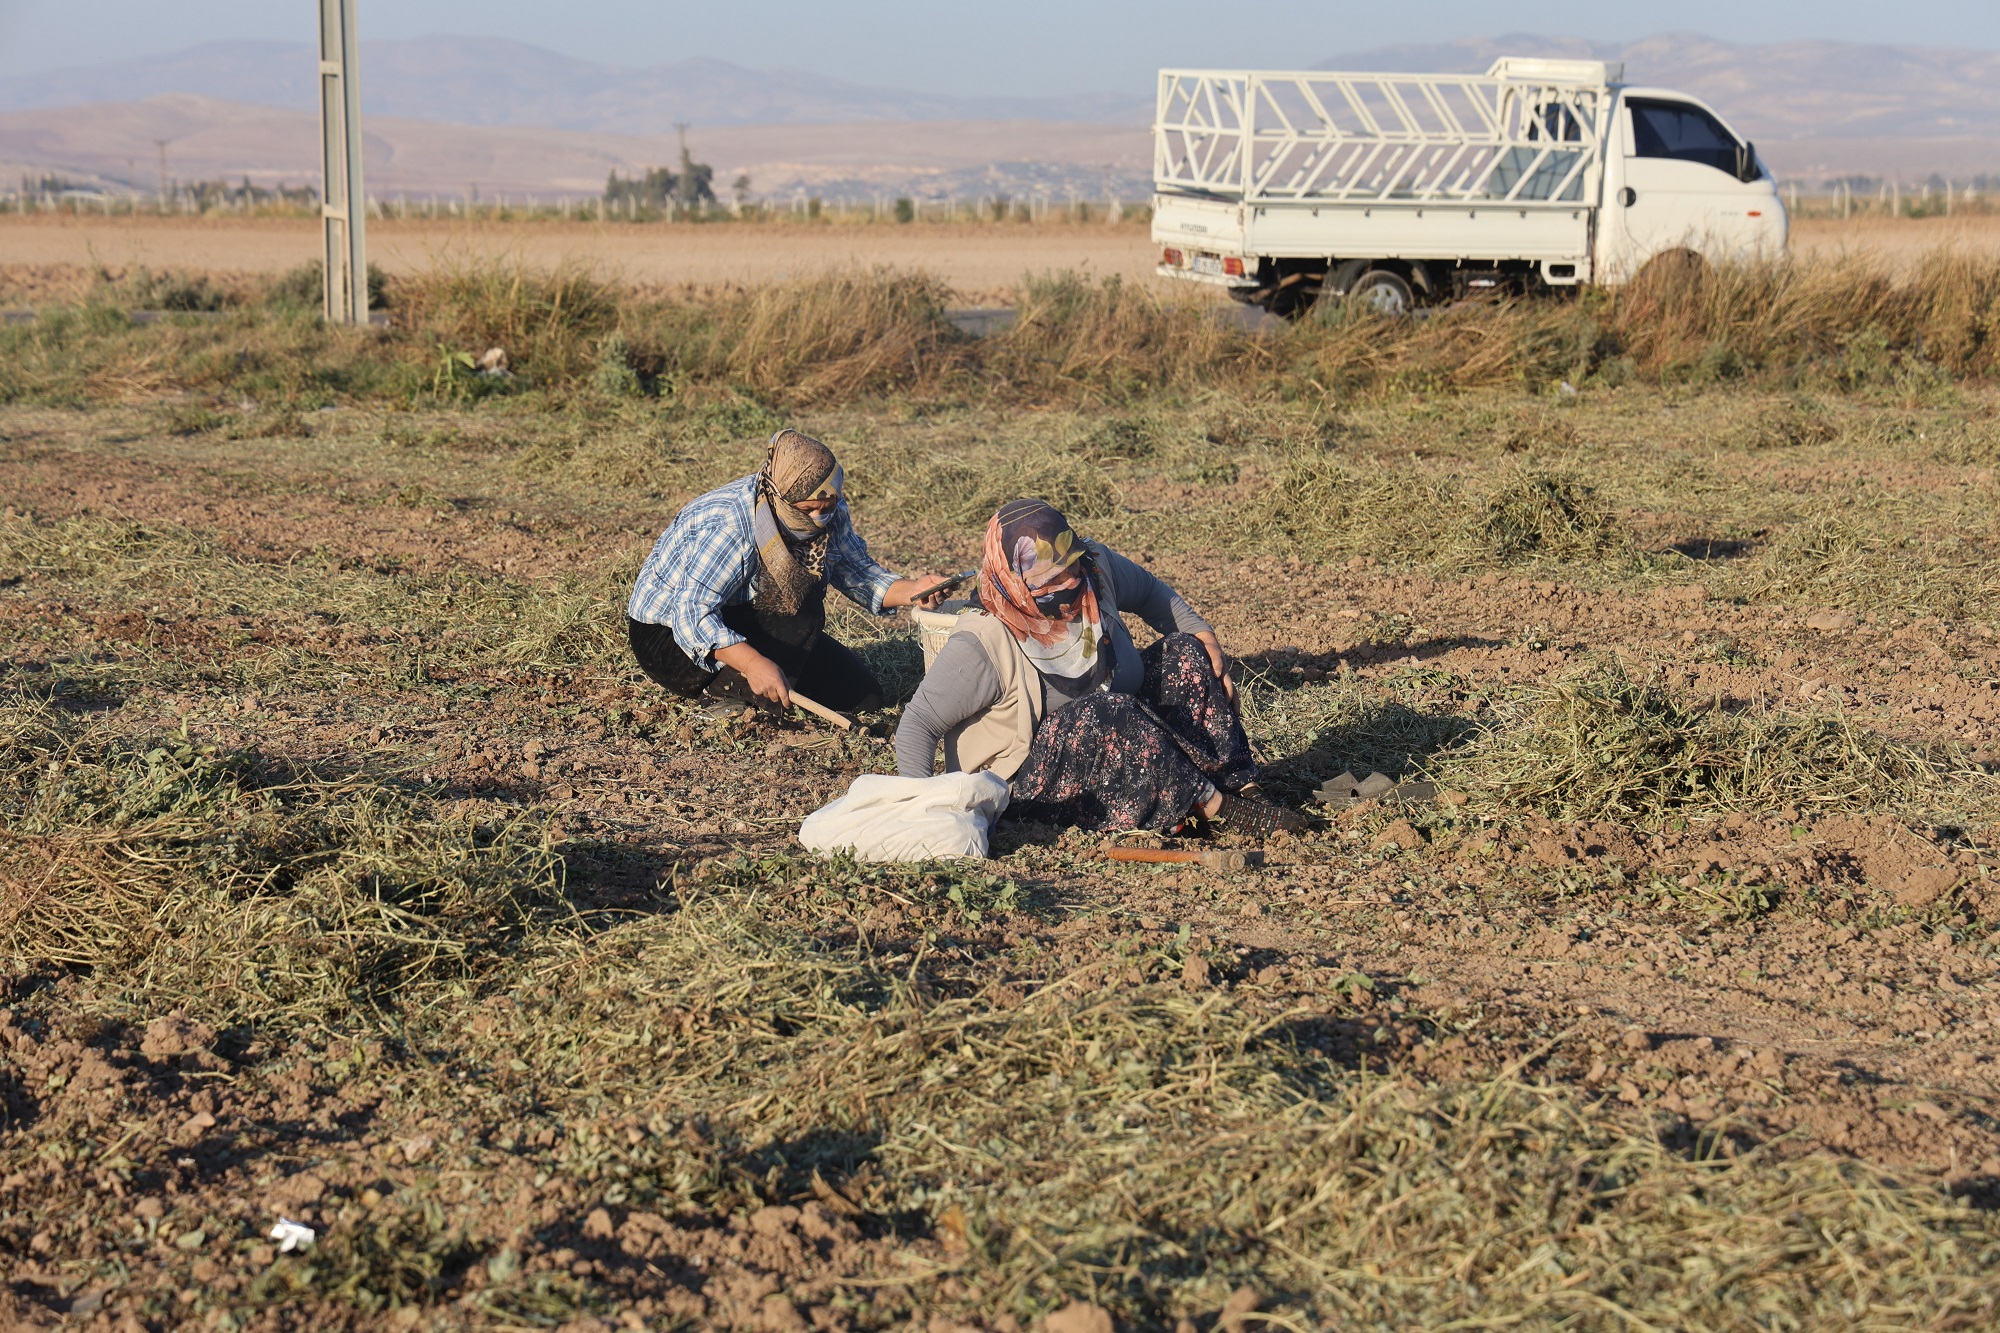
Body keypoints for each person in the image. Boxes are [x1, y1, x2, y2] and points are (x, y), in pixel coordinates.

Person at [894, 497, 1306, 837]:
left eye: (1069, 568)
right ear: (1016, 581)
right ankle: (1214, 805)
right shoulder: (984, 640)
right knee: (1104, 710)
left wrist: (1204, 634)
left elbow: (1150, 593)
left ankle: (1239, 785)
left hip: (1118, 736)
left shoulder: (1094, 570)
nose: (1069, 584)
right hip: (1027, 789)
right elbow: (919, 722)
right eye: (1049, 582)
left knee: (1184, 653)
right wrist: (922, 815)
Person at [627, 429, 941, 713]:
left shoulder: (829, 505)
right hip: (669, 636)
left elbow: (856, 571)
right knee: (796, 626)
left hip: (745, 613)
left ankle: (768, 678)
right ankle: (725, 690)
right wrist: (752, 664)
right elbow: (691, 613)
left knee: (864, 697)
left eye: (827, 507)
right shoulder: (733, 525)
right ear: (781, 498)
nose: (819, 518)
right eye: (808, 510)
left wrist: (913, 590)